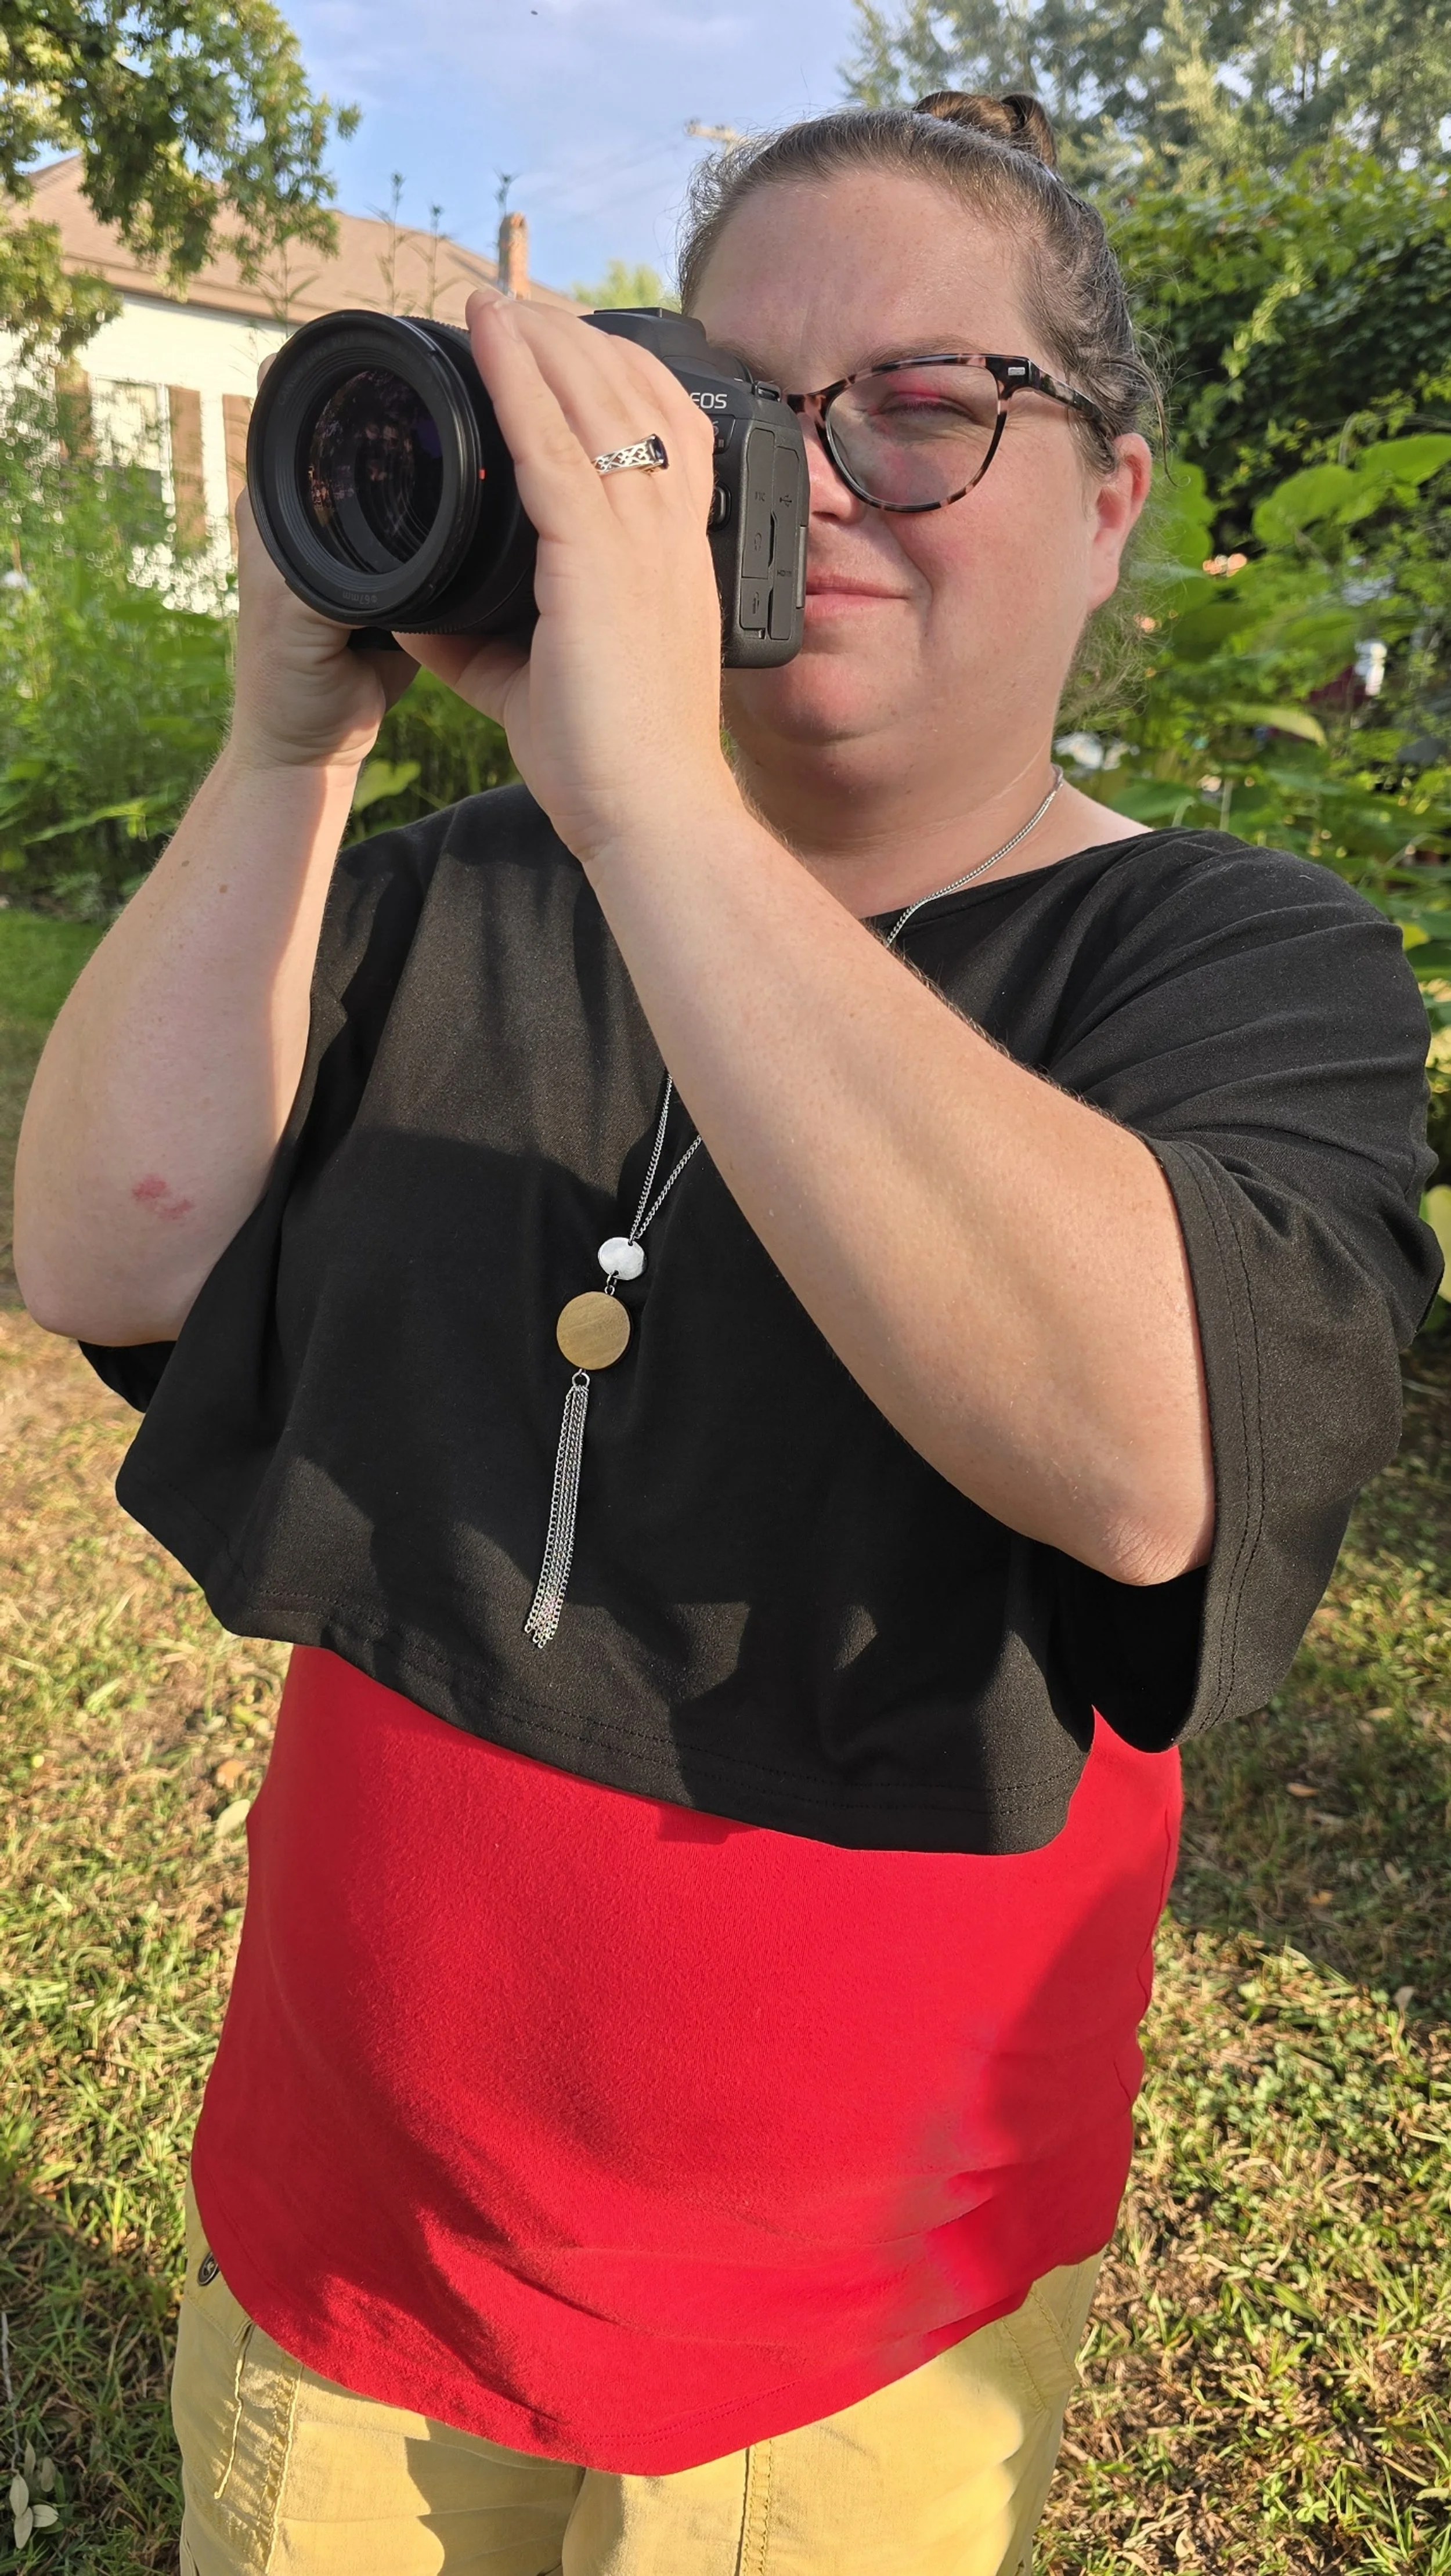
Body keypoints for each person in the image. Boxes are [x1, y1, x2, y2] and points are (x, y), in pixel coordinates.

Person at [16, 91, 1440, 2576]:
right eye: (726, 415)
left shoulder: (1237, 958)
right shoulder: (464, 884)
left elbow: (1141, 1450)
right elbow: (108, 1253)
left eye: (927, 400)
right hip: (360, 2231)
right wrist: (286, 742)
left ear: (1110, 502)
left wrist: (656, 804)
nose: (811, 481)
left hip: (851, 2336)